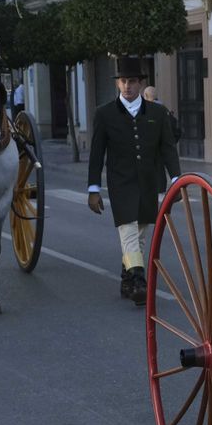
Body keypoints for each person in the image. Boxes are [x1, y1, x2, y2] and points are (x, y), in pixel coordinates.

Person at [87, 56, 181, 305]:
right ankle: (139, 280)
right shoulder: (104, 114)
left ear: (140, 83)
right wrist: (93, 189)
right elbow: (97, 153)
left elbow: (168, 149)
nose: (127, 86)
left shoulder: (158, 113)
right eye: (122, 81)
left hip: (150, 182)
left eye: (131, 81)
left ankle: (126, 280)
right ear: (118, 84)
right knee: (128, 231)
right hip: (120, 184)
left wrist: (177, 179)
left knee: (139, 235)